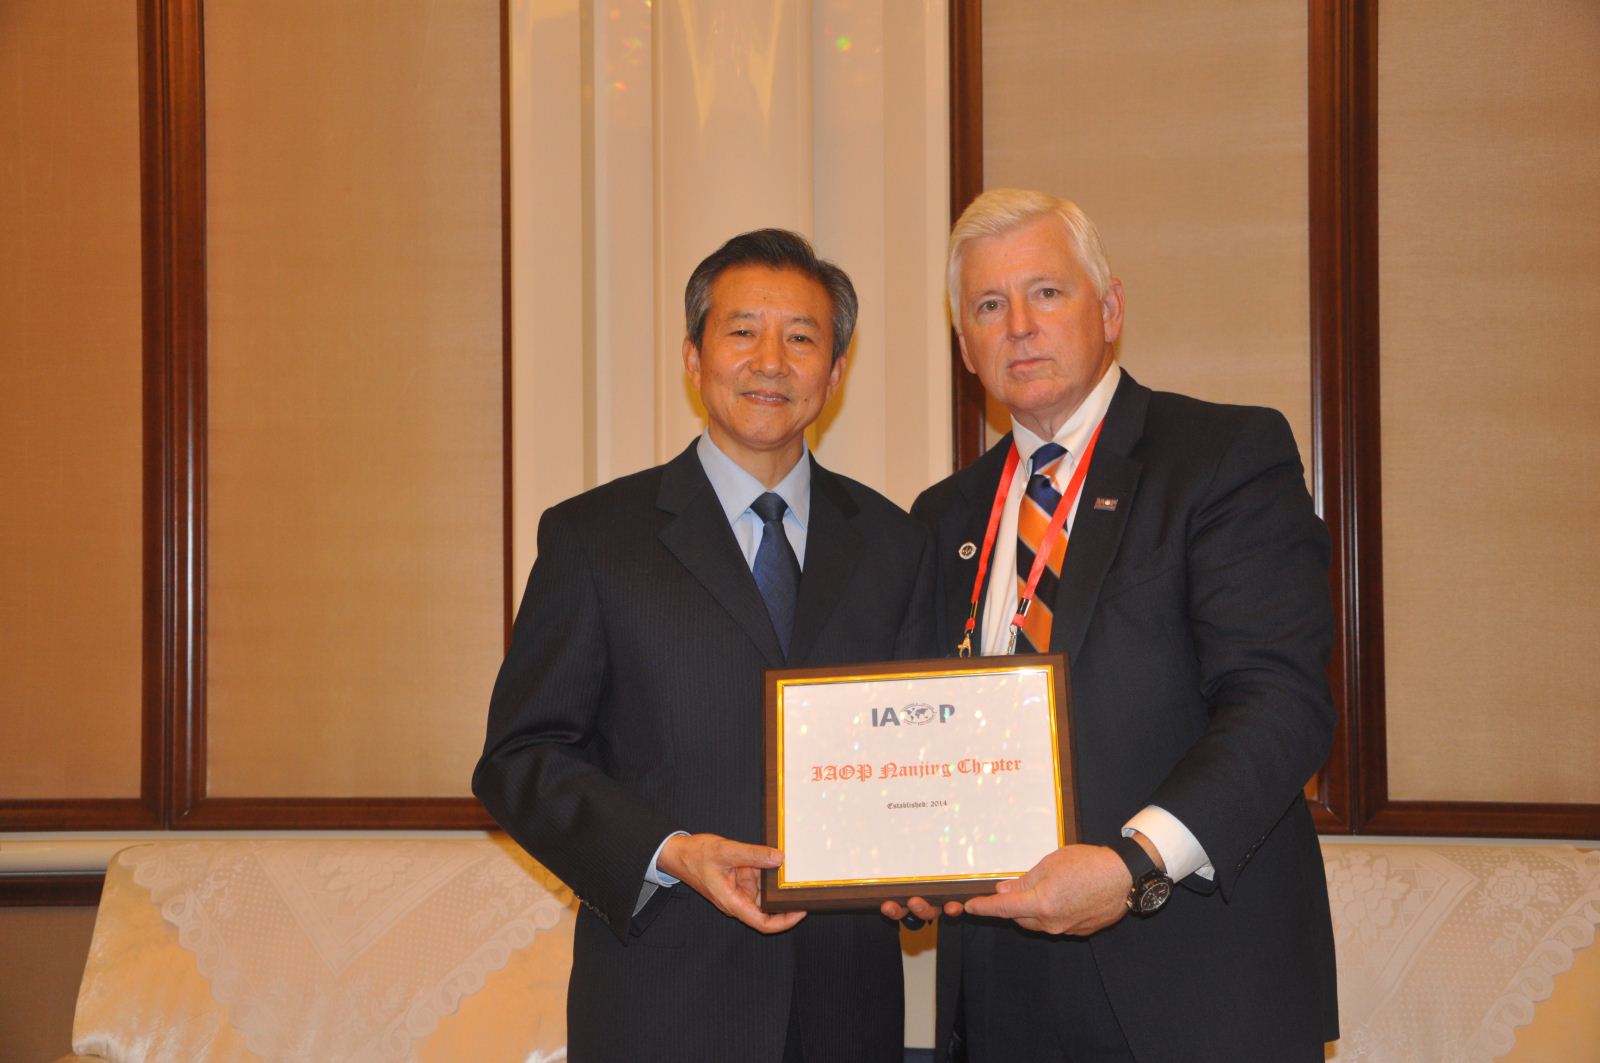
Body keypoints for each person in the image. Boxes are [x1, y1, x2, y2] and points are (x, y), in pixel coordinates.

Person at [884, 189, 1339, 1061]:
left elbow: (1281, 702)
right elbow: (927, 724)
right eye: (989, 305)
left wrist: (1134, 862)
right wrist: (906, 855)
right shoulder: (943, 516)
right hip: (1002, 988)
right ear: (966, 346)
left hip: (1194, 977)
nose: (1020, 325)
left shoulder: (1222, 457)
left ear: (1111, 308)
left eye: (1047, 292)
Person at [474, 228, 935, 1063]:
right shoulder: (594, 538)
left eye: (802, 338)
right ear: (694, 357)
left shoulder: (895, 543)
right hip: (663, 1004)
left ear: (835, 372)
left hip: (847, 1008)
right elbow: (520, 758)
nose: (771, 361)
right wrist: (670, 853)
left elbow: (919, 751)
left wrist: (930, 857)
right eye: (742, 330)